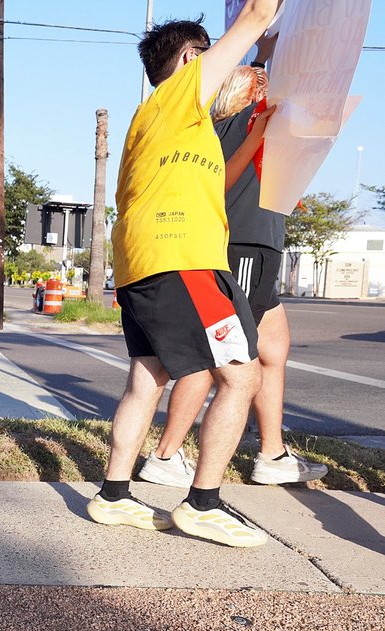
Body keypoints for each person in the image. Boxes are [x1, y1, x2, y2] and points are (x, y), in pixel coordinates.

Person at [87, 1, 280, 548]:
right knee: (242, 376)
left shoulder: (177, 126)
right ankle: (203, 503)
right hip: (182, 258)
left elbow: (216, 187)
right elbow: (255, 19)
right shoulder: (177, 95)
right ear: (190, 61)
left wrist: (256, 130)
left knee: (147, 379)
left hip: (145, 264)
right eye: (207, 53)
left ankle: (113, 494)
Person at [138, 62, 327, 489]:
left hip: (255, 249)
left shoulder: (219, 126)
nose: (268, 84)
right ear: (252, 89)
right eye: (261, 80)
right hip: (242, 248)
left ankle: (272, 452)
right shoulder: (246, 121)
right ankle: (166, 454)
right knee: (218, 356)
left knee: (274, 347)